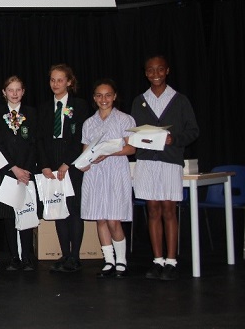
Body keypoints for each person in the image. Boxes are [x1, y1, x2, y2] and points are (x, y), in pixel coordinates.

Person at [131, 55, 199, 281]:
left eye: (160, 69)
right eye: (150, 70)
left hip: (170, 161)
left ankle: (171, 260)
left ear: (167, 70)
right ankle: (157, 260)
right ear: (145, 73)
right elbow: (133, 131)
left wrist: (174, 139)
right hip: (147, 162)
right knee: (152, 210)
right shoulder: (139, 100)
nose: (155, 73)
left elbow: (193, 131)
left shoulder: (180, 100)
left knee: (169, 210)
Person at [78, 79, 136, 278]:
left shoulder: (125, 120)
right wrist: (84, 163)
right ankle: (108, 260)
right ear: (94, 98)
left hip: (116, 171)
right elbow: (85, 151)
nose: (104, 99)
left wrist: (109, 153)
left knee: (114, 219)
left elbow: (131, 148)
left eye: (108, 95)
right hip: (95, 173)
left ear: (114, 96)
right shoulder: (89, 123)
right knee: (100, 218)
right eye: (99, 95)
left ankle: (121, 260)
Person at [37, 64, 89, 273]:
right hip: (51, 160)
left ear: (69, 82)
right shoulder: (44, 107)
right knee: (59, 209)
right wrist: (45, 166)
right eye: (52, 80)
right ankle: (64, 255)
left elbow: (81, 137)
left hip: (72, 161)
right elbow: (40, 139)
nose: (55, 84)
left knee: (73, 209)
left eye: (60, 80)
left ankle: (75, 256)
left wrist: (68, 163)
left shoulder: (80, 105)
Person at [0, 76, 39, 271]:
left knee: (25, 212)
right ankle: (13, 257)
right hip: (7, 171)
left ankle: (27, 256)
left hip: (26, 172)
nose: (15, 93)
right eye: (10, 90)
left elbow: (34, 142)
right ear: (4, 92)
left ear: (24, 91)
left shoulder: (32, 113)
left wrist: (25, 171)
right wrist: (13, 168)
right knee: (10, 215)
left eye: (18, 89)